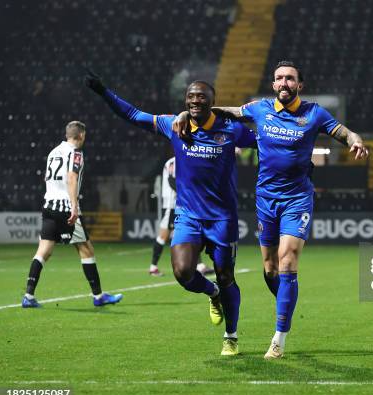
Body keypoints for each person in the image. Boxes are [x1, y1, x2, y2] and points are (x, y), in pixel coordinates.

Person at [173, 60, 369, 359]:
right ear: (273, 84)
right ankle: (286, 304)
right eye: (279, 78)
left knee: (287, 261)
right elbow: (225, 111)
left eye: (290, 79)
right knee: (269, 269)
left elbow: (343, 132)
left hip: (297, 198)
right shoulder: (260, 108)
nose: (284, 83)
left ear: (299, 85)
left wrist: (355, 139)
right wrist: (188, 112)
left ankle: (279, 337)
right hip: (266, 199)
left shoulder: (314, 113)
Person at [86, 71, 256, 356]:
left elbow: (267, 142)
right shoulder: (174, 125)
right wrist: (104, 92)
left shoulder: (231, 130)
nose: (195, 101)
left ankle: (231, 335)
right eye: (190, 96)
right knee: (181, 271)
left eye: (201, 96)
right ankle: (211, 293)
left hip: (222, 217)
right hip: (188, 215)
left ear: (213, 100)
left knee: (227, 276)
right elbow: (134, 115)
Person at [22, 121, 123, 308]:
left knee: (43, 250)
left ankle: (28, 295)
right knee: (86, 249)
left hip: (48, 204)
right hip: (65, 206)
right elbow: (71, 177)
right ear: (81, 135)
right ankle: (99, 296)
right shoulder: (76, 153)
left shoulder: (53, 152)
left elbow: (47, 178)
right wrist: (74, 206)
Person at [150, 156, 213, 277]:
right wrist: (188, 192)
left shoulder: (183, 160)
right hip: (171, 205)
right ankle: (153, 267)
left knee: (189, 232)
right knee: (163, 236)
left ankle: (199, 266)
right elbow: (172, 181)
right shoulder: (174, 161)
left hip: (181, 204)